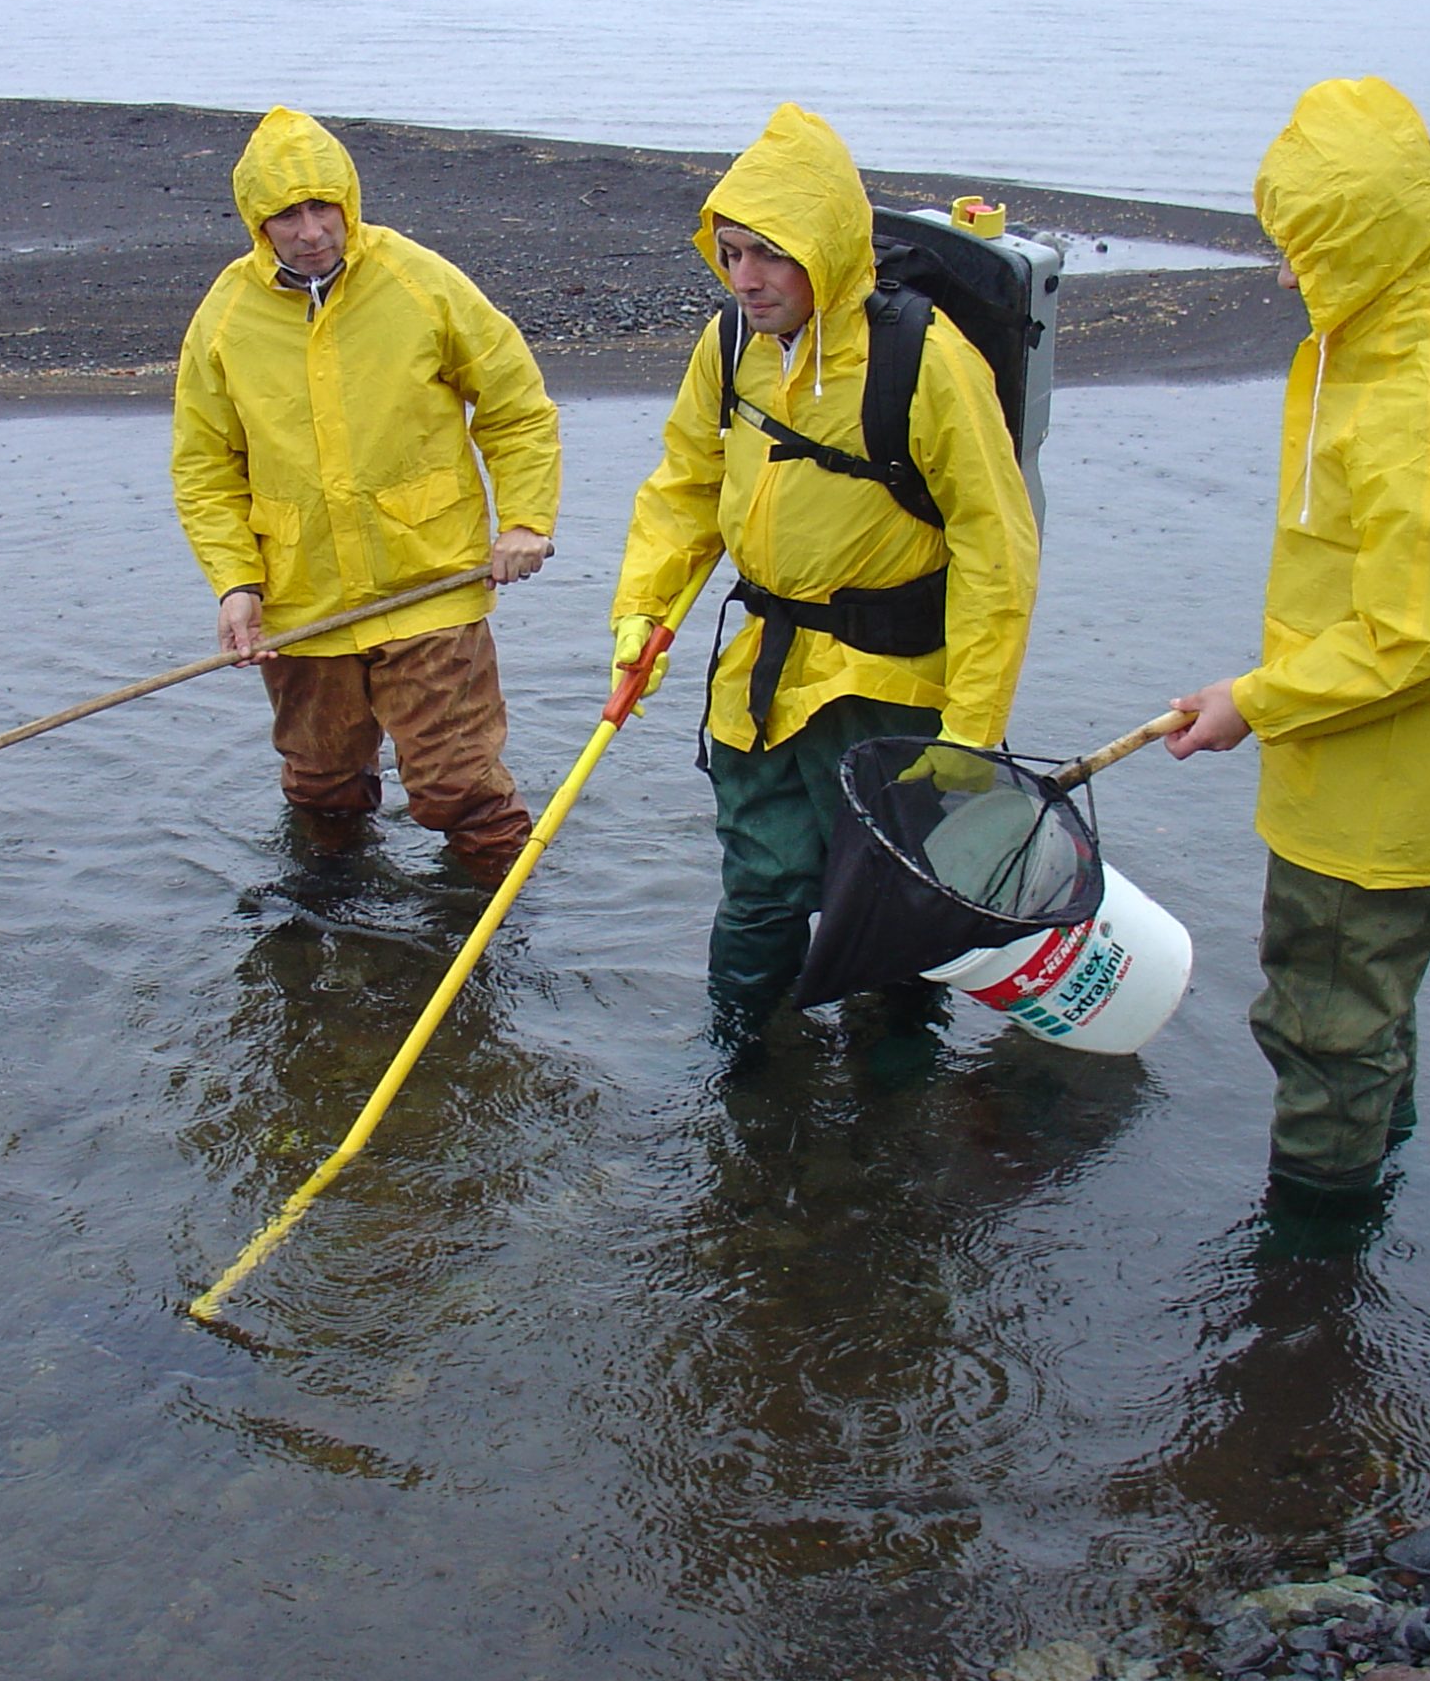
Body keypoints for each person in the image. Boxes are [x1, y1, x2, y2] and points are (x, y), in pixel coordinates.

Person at [1166, 76, 1430, 1206]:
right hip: (1428, 767)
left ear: (1367, 231)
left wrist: (1256, 700)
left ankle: (1311, 1272)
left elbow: (1422, 635)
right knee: (1373, 1003)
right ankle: (1385, 1183)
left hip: (1380, 787)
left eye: (1302, 244)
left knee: (1324, 1016)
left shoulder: (1425, 387)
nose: (1286, 273)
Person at [608, 103, 1038, 1026]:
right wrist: (641, 616)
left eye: (770, 253)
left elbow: (996, 549)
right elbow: (685, 487)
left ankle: (889, 1112)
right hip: (759, 679)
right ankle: (743, 1073)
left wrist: (970, 731)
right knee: (761, 890)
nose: (746, 279)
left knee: (887, 915)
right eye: (730, 252)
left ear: (829, 251)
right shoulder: (730, 346)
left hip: (886, 693)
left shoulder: (928, 363)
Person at [172, 105, 562, 882]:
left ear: (348, 203)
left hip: (431, 585)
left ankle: (491, 941)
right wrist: (235, 584)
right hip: (302, 602)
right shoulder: (225, 315)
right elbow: (204, 464)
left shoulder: (421, 282)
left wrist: (524, 519)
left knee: (460, 793)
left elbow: (515, 404)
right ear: (259, 221)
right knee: (321, 790)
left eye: (324, 208)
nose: (312, 230)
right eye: (289, 214)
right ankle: (329, 926)